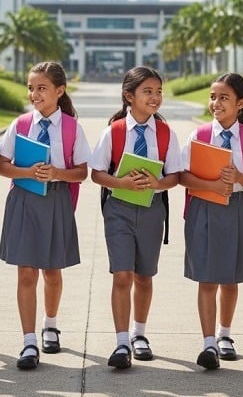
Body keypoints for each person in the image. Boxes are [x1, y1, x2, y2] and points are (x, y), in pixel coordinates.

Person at [0, 61, 91, 370]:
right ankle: (28, 342)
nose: (34, 94)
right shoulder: (21, 124)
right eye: (30, 87)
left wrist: (57, 173)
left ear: (59, 91)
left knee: (52, 271)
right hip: (23, 200)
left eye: (42, 88)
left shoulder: (71, 128)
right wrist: (27, 171)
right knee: (26, 272)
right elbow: (2, 166)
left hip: (56, 201)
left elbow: (81, 173)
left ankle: (50, 325)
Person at [89, 67, 182, 369]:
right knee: (122, 274)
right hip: (118, 209)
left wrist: (158, 183)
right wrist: (122, 183)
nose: (155, 97)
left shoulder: (166, 133)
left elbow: (175, 176)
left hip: (152, 209)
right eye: (148, 91)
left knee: (144, 276)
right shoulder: (113, 131)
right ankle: (121, 343)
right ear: (129, 96)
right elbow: (97, 174)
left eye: (158, 92)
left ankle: (139, 334)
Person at [180, 73, 243, 370]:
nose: (216, 103)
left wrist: (238, 178)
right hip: (203, 208)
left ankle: (225, 335)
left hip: (237, 209)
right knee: (207, 277)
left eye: (224, 98)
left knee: (230, 278)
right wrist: (213, 186)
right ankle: (208, 344)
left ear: (241, 103)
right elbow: (183, 177)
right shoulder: (200, 135)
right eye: (213, 96)